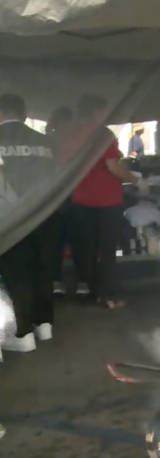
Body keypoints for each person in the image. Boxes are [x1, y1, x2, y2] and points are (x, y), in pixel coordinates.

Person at [63, 94, 148, 309]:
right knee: (108, 250)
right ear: (95, 112)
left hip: (80, 199)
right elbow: (113, 166)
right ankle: (108, 296)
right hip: (106, 201)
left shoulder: (71, 134)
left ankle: (91, 292)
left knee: (86, 249)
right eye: (103, 111)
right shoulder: (102, 135)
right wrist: (136, 180)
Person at [0, 94, 60, 352]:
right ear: (23, 113)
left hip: (12, 219)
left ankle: (23, 335)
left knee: (18, 274)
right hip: (46, 216)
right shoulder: (46, 143)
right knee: (43, 270)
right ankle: (44, 324)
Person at [45, 106, 78, 295]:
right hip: (68, 196)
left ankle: (56, 279)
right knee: (69, 239)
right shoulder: (69, 140)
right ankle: (68, 279)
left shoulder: (49, 139)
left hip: (54, 197)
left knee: (56, 241)